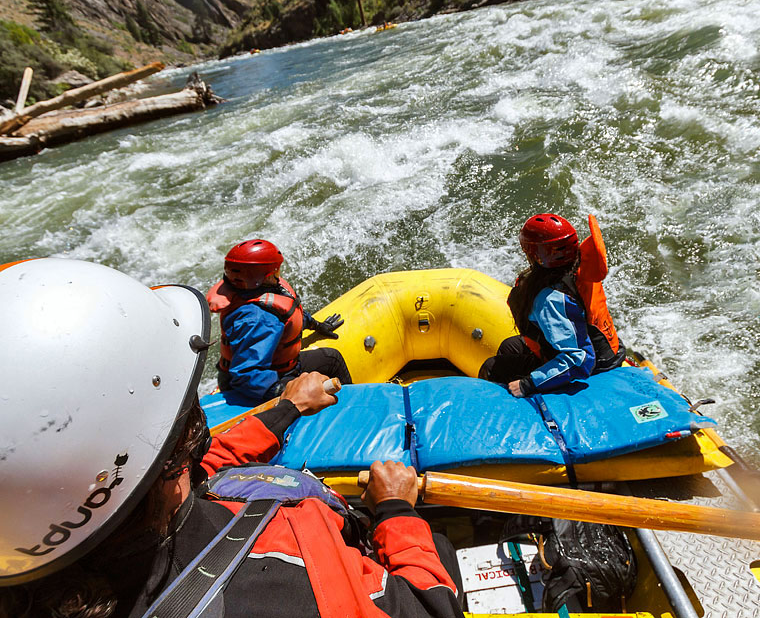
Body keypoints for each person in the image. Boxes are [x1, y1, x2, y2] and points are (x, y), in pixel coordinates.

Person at [0, 257, 463, 618]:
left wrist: (288, 408)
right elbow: (431, 608)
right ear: (176, 443)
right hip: (356, 543)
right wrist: (397, 512)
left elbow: (203, 472)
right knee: (439, 545)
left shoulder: (42, 556)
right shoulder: (293, 575)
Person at [479, 213, 626, 397]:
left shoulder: (550, 299)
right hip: (606, 352)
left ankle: (508, 411)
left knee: (492, 368)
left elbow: (579, 359)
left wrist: (528, 383)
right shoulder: (578, 266)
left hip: (592, 367)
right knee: (510, 346)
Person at [207, 239, 353, 402]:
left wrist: (317, 325)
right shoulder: (258, 318)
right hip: (266, 381)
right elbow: (247, 376)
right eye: (275, 273)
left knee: (331, 357)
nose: (278, 275)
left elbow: (287, 314)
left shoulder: (251, 293)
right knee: (331, 362)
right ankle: (347, 408)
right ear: (262, 278)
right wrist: (285, 392)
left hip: (276, 367)